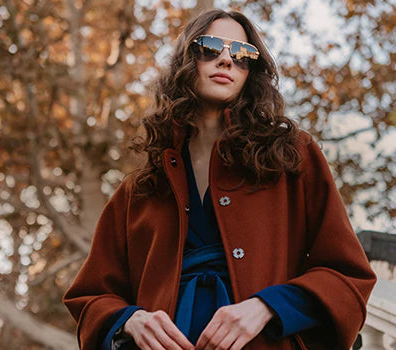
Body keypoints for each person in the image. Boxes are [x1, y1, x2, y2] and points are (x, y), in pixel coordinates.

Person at [63, 9, 376, 350]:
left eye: (242, 54)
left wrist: (267, 307)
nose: (226, 59)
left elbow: (348, 275)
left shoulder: (293, 156)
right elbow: (91, 295)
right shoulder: (139, 188)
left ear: (251, 71)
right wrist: (131, 321)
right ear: (186, 58)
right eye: (210, 47)